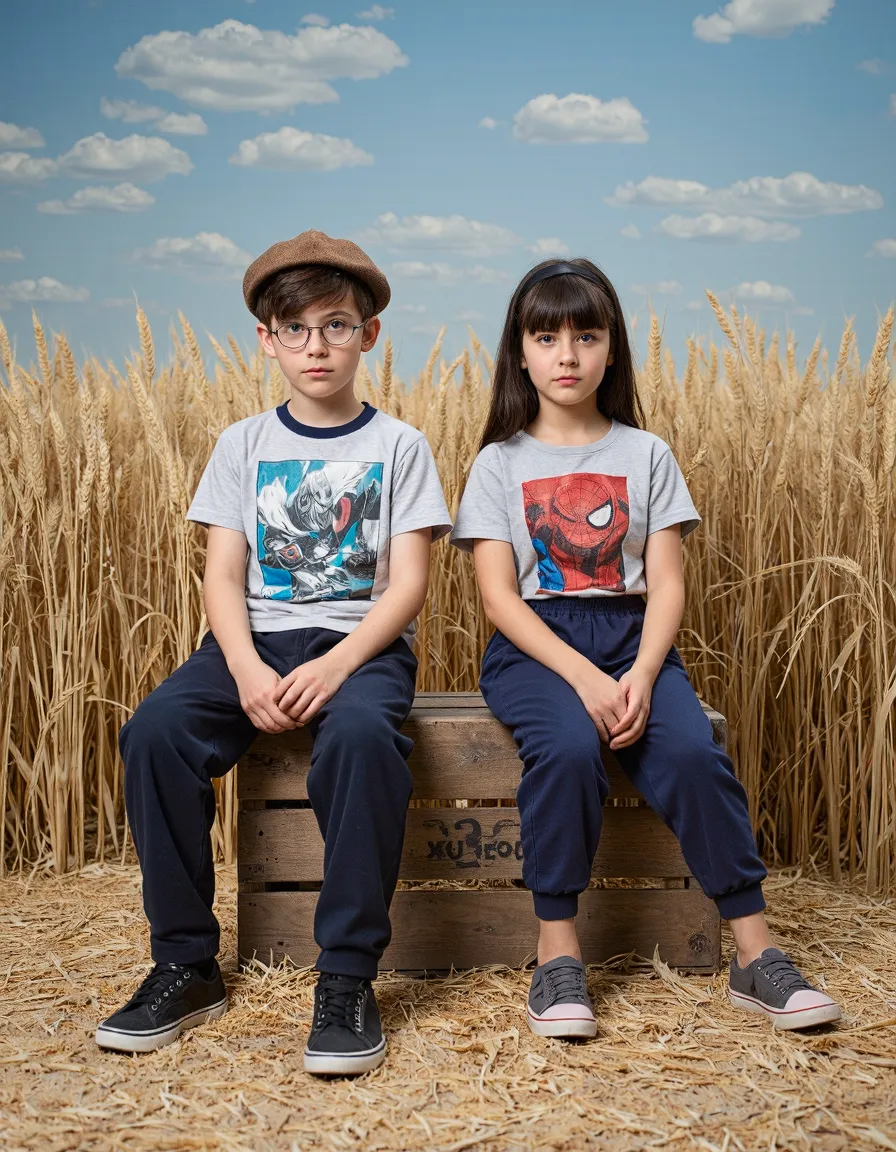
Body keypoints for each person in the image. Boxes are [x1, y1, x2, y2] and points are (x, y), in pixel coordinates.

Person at [450, 258, 841, 1038]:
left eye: (587, 336)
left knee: (695, 751)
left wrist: (640, 673)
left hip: (636, 640)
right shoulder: (498, 464)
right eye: (548, 336)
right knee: (564, 749)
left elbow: (666, 584)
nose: (567, 355)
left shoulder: (647, 453)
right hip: (537, 648)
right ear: (519, 353)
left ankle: (754, 955)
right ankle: (556, 956)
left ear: (612, 349)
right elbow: (497, 597)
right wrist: (586, 681)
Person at [96, 230, 452, 1074]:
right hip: (248, 642)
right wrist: (249, 668)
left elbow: (407, 586)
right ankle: (185, 962)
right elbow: (221, 574)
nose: (315, 345)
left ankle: (347, 976)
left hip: (359, 647)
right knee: (153, 733)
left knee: (365, 740)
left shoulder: (398, 446)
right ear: (266, 340)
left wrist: (338, 665)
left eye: (335, 325)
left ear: (369, 334)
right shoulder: (242, 445)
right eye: (294, 329)